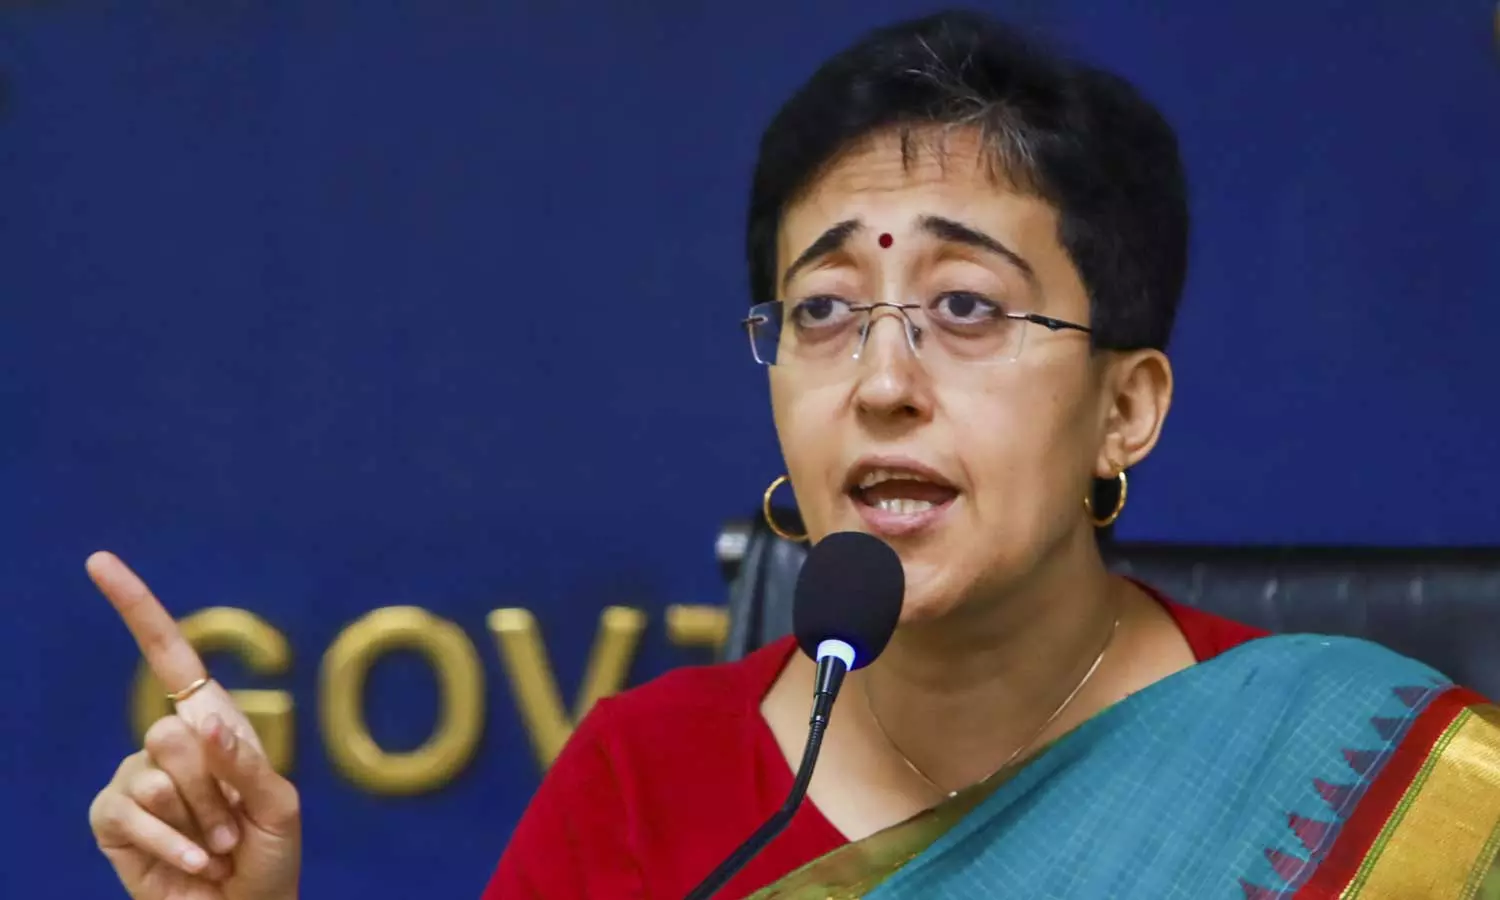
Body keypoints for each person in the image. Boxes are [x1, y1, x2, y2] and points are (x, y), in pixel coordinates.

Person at [86, 9, 1500, 900]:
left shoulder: (1359, 779)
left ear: (1125, 407)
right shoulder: (648, 781)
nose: (881, 382)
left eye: (966, 307)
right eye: (823, 312)